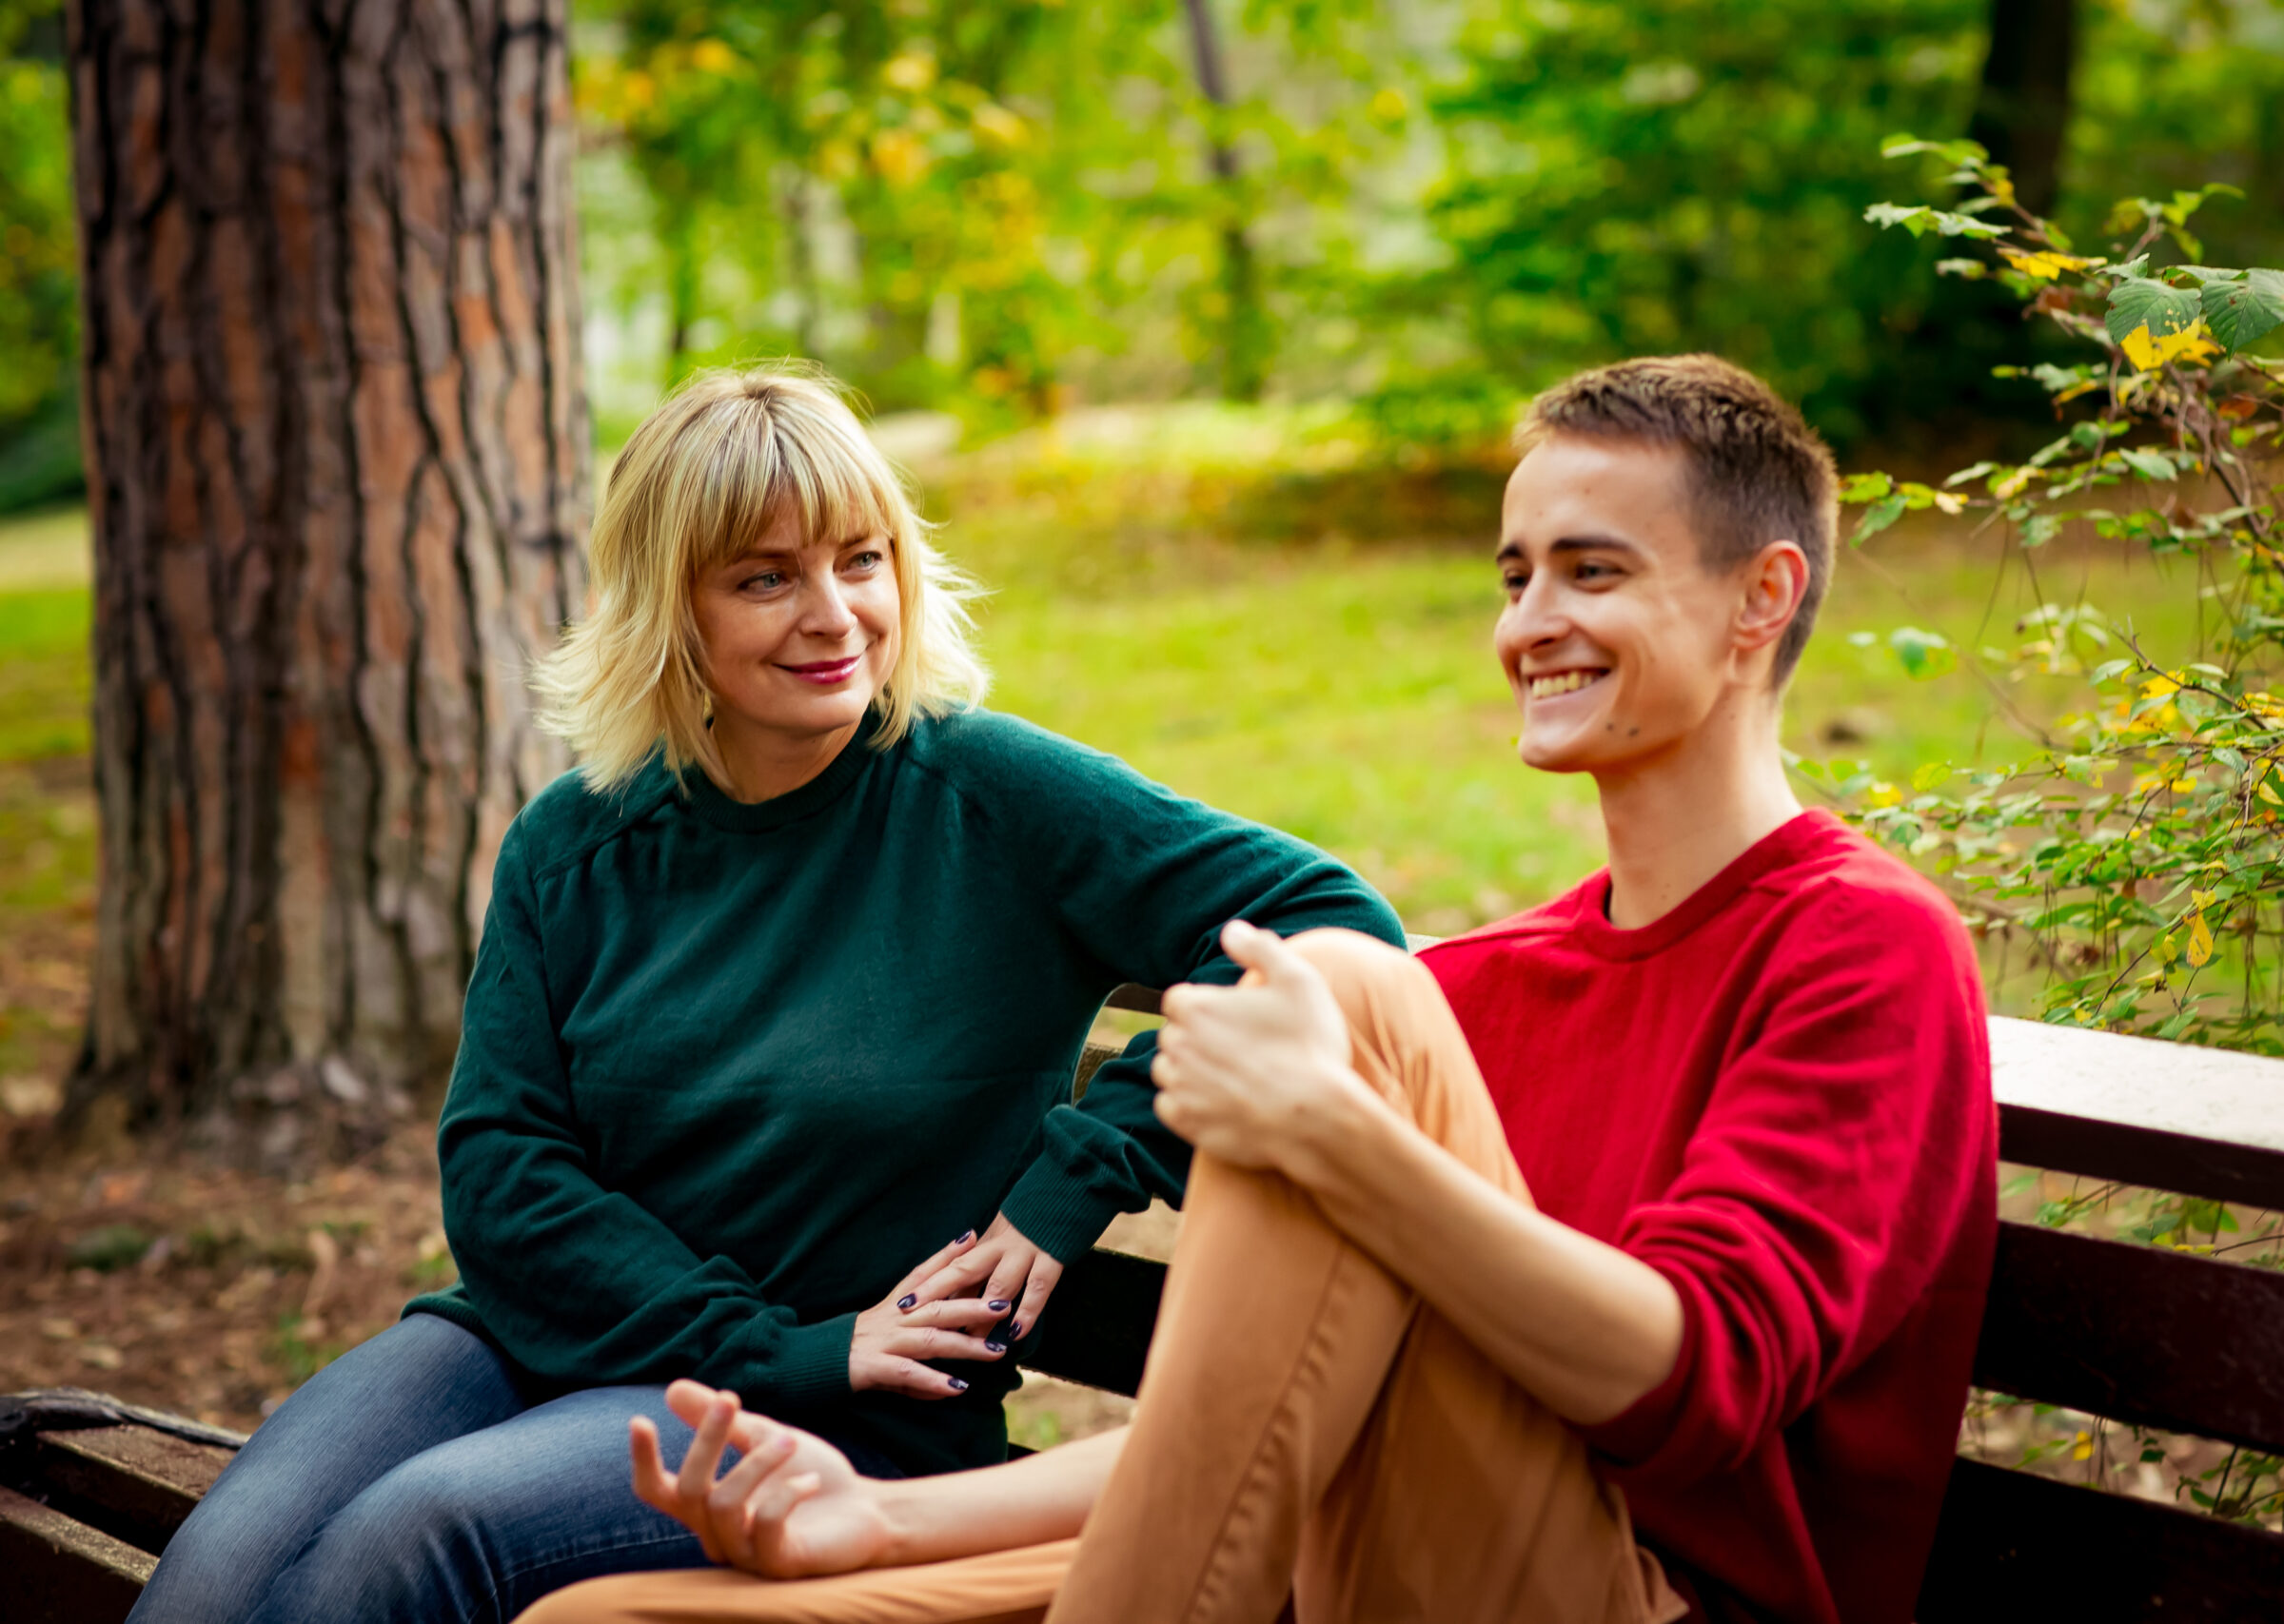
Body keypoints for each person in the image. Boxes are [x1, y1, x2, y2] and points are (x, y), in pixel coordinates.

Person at [518, 354, 1999, 1624]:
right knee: (606, 1617)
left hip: (1662, 1593)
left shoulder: (1857, 942)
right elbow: (1263, 1413)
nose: (1530, 620)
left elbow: (1699, 1396)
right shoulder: (1486, 989)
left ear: (1764, 601)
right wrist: (884, 1522)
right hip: (1363, 1552)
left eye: (1592, 570)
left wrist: (1337, 1134)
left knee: (1342, 982)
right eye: (1515, 573)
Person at [128, 366, 1402, 1624]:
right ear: (669, 610)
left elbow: (1334, 925)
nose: (835, 613)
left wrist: (1082, 1174)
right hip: (543, 1339)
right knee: (223, 1571)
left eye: (861, 558)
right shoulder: (576, 846)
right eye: (764, 577)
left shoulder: (988, 796)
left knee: (414, 1543)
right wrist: (763, 1339)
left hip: (839, 1418)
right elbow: (505, 1165)